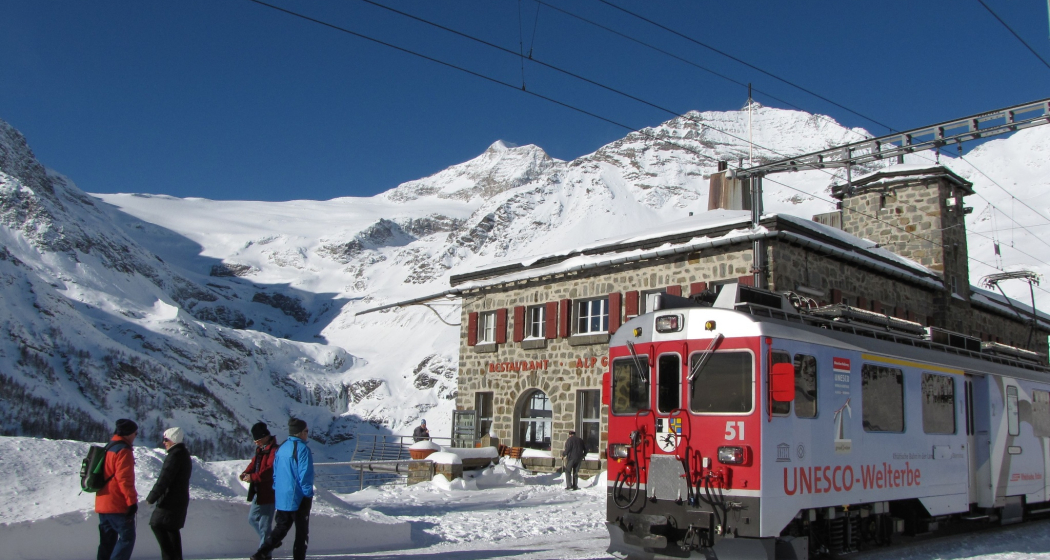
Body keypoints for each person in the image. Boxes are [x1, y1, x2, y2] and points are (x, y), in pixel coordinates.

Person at [251, 418, 315, 560]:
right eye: (306, 431)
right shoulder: (303, 449)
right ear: (300, 433)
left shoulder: (282, 447)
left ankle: (261, 552)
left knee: (280, 528)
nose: (307, 434)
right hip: (298, 497)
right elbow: (305, 475)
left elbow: (275, 471)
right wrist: (308, 494)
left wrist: (276, 488)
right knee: (301, 533)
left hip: (282, 497)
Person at [146, 427, 192, 560]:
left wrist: (151, 498)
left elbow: (164, 478)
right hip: (178, 500)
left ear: (173, 440)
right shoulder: (182, 453)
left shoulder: (174, 455)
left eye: (166, 439)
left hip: (170, 501)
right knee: (171, 530)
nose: (164, 442)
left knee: (157, 525)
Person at [96, 418, 139, 560]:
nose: (135, 436)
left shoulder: (109, 447)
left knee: (107, 542)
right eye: (135, 433)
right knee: (127, 538)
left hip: (102, 503)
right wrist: (131, 502)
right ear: (128, 434)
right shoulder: (123, 451)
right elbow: (125, 479)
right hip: (118, 504)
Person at [240, 422, 278, 550]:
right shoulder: (261, 450)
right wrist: (246, 473)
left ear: (265, 437)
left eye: (258, 440)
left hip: (268, 493)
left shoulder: (273, 451)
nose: (256, 443)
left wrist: (253, 477)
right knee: (252, 519)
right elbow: (254, 464)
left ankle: (264, 553)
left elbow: (269, 470)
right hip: (258, 492)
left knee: (264, 526)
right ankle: (270, 541)